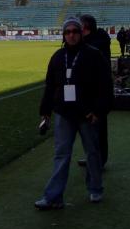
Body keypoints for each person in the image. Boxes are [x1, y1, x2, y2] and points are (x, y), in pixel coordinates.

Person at [35, 18, 114, 209]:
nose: (71, 35)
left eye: (75, 31)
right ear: (64, 35)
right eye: (68, 32)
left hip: (87, 114)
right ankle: (54, 196)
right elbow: (50, 87)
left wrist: (98, 111)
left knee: (93, 153)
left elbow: (105, 87)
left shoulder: (93, 56)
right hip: (64, 113)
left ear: (81, 33)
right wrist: (45, 112)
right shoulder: (57, 57)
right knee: (61, 154)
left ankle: (95, 189)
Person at [77, 14, 113, 170]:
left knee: (98, 129)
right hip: (89, 93)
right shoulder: (95, 41)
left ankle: (99, 161)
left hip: (97, 94)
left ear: (85, 27)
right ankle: (93, 158)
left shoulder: (95, 44)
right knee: (91, 131)